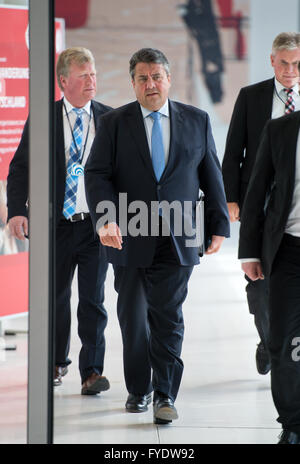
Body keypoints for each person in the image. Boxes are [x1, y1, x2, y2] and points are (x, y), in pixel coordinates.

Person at [85, 48, 230, 424]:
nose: (151, 84)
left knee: (168, 316)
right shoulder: (115, 123)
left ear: (169, 79)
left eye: (157, 76)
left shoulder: (196, 120)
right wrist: (105, 220)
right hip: (129, 234)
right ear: (133, 83)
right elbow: (97, 174)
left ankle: (165, 393)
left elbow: (210, 173)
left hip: (179, 234)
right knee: (134, 317)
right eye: (143, 78)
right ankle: (139, 389)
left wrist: (218, 225)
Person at [7, 47, 111, 395]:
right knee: (56, 297)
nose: (91, 81)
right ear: (64, 80)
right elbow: (21, 166)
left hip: (96, 225)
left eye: (93, 74)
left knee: (93, 300)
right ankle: (54, 362)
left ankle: (92, 372)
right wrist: (17, 211)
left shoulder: (109, 119)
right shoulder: (43, 117)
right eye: (84, 75)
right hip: (55, 223)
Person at [222, 32, 300, 375]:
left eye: (296, 63)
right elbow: (233, 153)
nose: (290, 70)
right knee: (259, 285)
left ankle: (283, 343)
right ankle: (269, 340)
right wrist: (231, 198)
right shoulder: (252, 97)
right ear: (272, 61)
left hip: (294, 208)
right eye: (283, 62)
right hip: (260, 206)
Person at [238, 105, 300, 444]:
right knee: (284, 339)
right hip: (289, 250)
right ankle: (292, 423)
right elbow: (257, 190)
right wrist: (249, 251)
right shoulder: (280, 130)